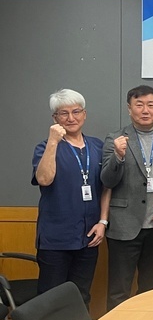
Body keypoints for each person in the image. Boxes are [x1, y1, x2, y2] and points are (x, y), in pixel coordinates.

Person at [100, 85, 153, 310]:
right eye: (139, 105)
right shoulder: (115, 138)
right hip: (124, 226)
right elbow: (107, 180)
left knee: (150, 289)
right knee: (119, 290)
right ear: (129, 108)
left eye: (150, 105)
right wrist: (118, 156)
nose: (145, 110)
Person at [31, 89, 108, 307]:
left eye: (76, 111)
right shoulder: (44, 147)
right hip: (56, 239)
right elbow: (44, 179)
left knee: (81, 296)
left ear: (85, 114)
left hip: (89, 236)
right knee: (51, 300)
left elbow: (107, 186)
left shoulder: (97, 146)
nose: (71, 118)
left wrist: (103, 221)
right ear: (55, 118)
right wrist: (53, 142)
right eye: (63, 113)